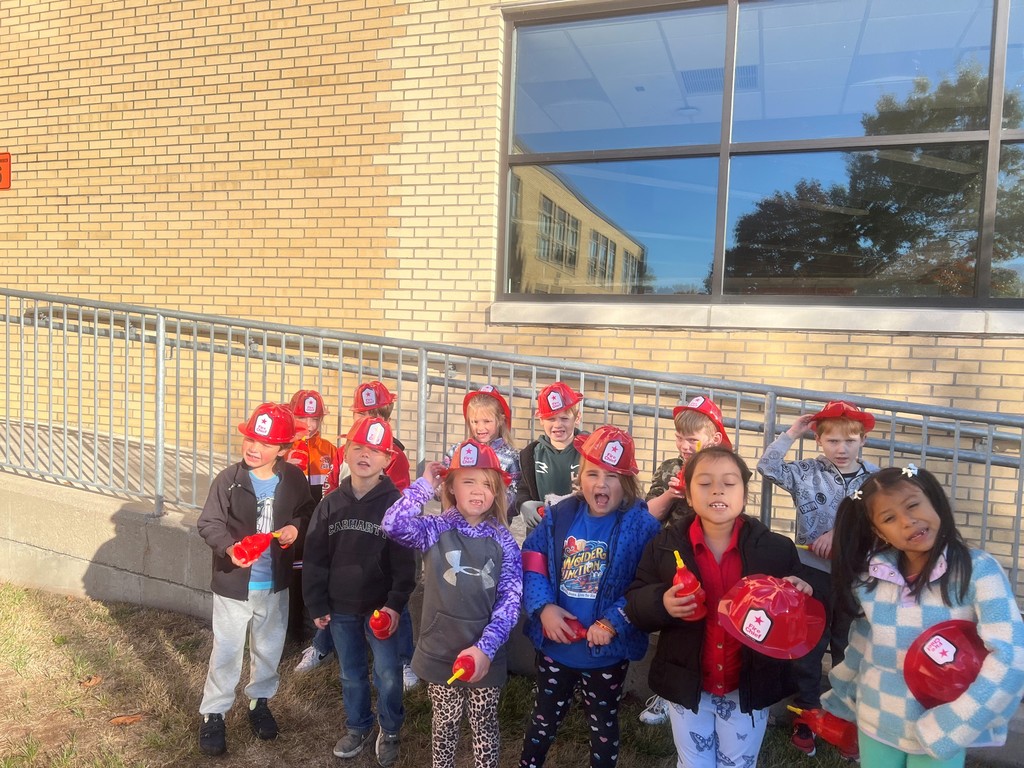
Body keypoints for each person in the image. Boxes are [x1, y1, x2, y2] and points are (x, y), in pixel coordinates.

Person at [624, 446, 815, 768]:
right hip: (688, 686)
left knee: (738, 763)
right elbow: (635, 601)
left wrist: (800, 594)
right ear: (687, 493)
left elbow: (795, 616)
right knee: (694, 762)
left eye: (729, 482)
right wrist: (661, 602)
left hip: (747, 687)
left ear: (744, 492)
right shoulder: (665, 545)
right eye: (705, 483)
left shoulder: (775, 550)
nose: (717, 490)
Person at [823, 465, 1024, 768]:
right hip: (876, 719)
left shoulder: (978, 571)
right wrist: (840, 697)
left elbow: (1012, 656)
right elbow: (864, 643)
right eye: (889, 518)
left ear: (934, 499)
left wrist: (951, 726)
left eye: (913, 505)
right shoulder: (873, 577)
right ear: (879, 532)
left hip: (939, 730)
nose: (908, 521)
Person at [519, 426, 661, 768]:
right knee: (543, 718)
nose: (601, 484)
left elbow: (646, 584)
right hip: (557, 646)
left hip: (605, 653)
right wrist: (543, 608)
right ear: (579, 477)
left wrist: (613, 622)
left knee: (603, 724)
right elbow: (532, 559)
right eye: (592, 474)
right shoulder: (560, 515)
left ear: (627, 482)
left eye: (612, 476)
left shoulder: (641, 526)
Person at [382, 439, 523, 768]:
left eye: (487, 483)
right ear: (451, 487)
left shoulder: (504, 542)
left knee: (484, 725)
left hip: (484, 657)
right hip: (439, 650)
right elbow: (393, 524)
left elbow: (510, 602)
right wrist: (423, 486)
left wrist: (485, 649)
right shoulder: (436, 528)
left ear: (498, 492)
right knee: (444, 723)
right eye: (468, 481)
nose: (478, 491)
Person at [756, 399, 879, 755]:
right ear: (820, 442)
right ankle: (807, 714)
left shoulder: (874, 480)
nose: (842, 449)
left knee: (846, 649)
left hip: (855, 576)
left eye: (850, 440)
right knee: (807, 647)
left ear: (863, 441)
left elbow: (881, 524)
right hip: (810, 572)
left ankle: (842, 721)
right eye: (833, 441)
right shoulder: (807, 471)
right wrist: (793, 431)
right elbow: (767, 465)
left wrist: (841, 535)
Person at [195, 402, 314, 757]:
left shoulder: (293, 479)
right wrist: (230, 549)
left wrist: (296, 527)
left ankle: (259, 701)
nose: (253, 447)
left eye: (263, 443)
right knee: (228, 650)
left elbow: (307, 511)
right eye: (250, 438)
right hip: (234, 586)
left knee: (268, 647)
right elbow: (209, 523)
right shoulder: (229, 481)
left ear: (282, 450)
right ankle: (213, 713)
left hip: (274, 586)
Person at [301, 416, 416, 766]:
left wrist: (396, 604)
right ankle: (358, 725)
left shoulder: (396, 505)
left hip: (381, 609)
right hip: (340, 608)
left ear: (388, 460)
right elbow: (315, 558)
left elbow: (405, 564)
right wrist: (317, 602)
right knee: (351, 672)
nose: (365, 455)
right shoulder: (330, 504)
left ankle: (390, 727)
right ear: (345, 453)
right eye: (358, 447)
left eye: (375, 451)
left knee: (387, 672)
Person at [297, 380, 417, 689]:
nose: (369, 420)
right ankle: (322, 646)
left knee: (394, 597)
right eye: (362, 414)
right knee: (337, 590)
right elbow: (335, 487)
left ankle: (403, 661)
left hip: (380, 536)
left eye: (377, 413)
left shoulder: (394, 454)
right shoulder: (345, 450)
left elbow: (401, 499)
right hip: (345, 530)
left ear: (387, 415)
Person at [640, 394, 731, 726]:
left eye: (692, 439)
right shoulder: (669, 468)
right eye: (680, 437)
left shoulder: (723, 468)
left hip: (711, 556)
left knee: (706, 626)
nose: (684, 445)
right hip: (672, 556)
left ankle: (708, 690)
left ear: (714, 438)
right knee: (675, 623)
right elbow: (647, 514)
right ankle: (668, 695)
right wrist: (672, 493)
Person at [283, 389, 337, 641]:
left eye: (315, 419)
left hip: (320, 525)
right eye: (303, 418)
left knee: (314, 575)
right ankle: (290, 632)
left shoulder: (329, 450)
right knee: (291, 578)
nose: (310, 424)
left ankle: (314, 635)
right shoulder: (283, 449)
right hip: (291, 524)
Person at [515, 382, 584, 532]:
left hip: (580, 530)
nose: (558, 424)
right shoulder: (531, 454)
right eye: (551, 419)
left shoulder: (590, 449)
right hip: (542, 531)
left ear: (577, 417)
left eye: (564, 418)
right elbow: (523, 488)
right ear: (540, 419)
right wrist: (523, 503)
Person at [444, 385, 521, 513]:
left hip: (494, 527)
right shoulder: (457, 451)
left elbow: (515, 502)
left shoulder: (510, 458)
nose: (480, 428)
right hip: (457, 525)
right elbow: (441, 489)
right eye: (475, 422)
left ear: (501, 420)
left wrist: (486, 501)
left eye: (486, 421)